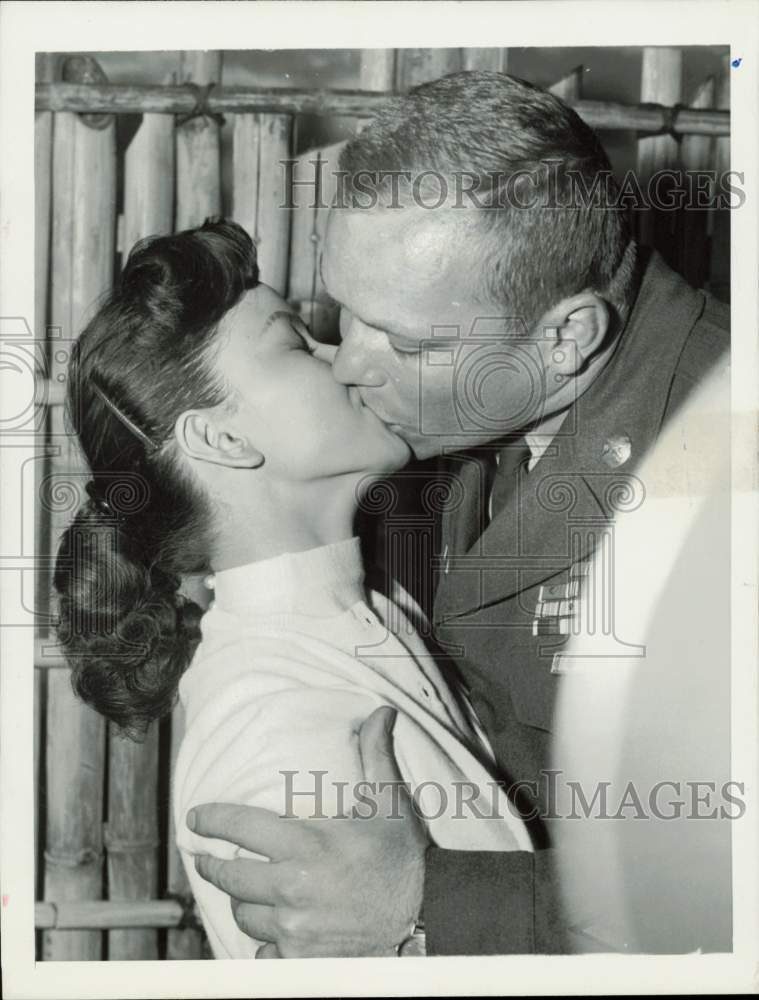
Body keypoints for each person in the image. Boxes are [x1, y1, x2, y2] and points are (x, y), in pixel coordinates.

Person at [189, 71, 730, 954]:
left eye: (406, 342)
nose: (347, 365)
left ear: (568, 335)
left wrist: (436, 898)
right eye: (341, 313)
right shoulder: (464, 420)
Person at [53, 218, 533, 959]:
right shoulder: (274, 739)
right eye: (294, 345)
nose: (343, 360)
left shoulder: (370, 608)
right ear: (221, 439)